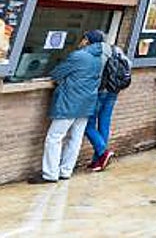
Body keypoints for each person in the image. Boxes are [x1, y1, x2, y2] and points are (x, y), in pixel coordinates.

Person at [30, 31, 106, 184]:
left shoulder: (78, 56)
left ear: (87, 41)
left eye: (84, 38)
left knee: (54, 137)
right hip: (87, 103)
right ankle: (65, 171)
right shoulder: (99, 58)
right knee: (75, 138)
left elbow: (56, 74)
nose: (81, 40)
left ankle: (50, 174)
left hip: (70, 102)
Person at [85, 37, 130, 172]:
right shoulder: (116, 49)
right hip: (113, 91)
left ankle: (103, 152)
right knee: (104, 124)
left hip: (99, 92)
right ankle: (98, 161)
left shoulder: (95, 51)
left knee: (88, 125)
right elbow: (128, 65)